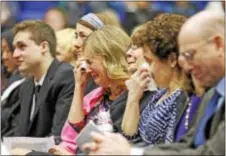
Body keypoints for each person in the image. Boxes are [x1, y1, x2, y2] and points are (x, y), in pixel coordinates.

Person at [82, 9, 225, 155]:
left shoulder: (193, 96)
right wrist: (129, 149)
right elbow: (185, 145)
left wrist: (132, 152)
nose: (186, 66)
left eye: (190, 55)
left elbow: (209, 153)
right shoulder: (210, 94)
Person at [122, 13, 192, 145]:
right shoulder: (162, 93)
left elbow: (172, 148)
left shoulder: (183, 98)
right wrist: (133, 98)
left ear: (171, 60)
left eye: (150, 61)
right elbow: (131, 137)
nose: (148, 68)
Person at [11, 20, 75, 139]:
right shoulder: (27, 85)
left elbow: (58, 137)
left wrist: (27, 152)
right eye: (15, 48)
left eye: (22, 46)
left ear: (44, 47)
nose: (15, 54)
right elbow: (21, 136)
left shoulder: (66, 77)